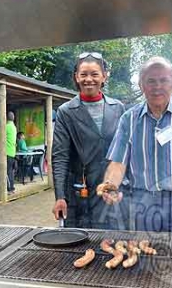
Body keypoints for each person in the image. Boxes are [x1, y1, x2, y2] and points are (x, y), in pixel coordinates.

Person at [101, 56, 172, 233]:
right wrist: (111, 185)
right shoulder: (128, 119)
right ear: (141, 85)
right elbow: (118, 163)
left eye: (164, 80)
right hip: (143, 202)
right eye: (151, 81)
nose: (157, 87)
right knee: (146, 254)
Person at [52, 52, 125, 229]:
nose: (89, 79)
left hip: (110, 189)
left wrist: (124, 185)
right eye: (83, 74)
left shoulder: (118, 108)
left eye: (94, 74)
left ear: (104, 76)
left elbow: (125, 152)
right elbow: (60, 156)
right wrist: (60, 196)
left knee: (112, 242)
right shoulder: (66, 111)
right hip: (79, 191)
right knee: (80, 242)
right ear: (76, 77)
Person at [0, 111, 17, 194]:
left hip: (5, 152)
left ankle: (9, 189)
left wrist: (0, 128)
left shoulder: (6, 126)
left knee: (6, 171)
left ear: (6, 118)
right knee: (10, 171)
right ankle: (12, 188)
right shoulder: (14, 127)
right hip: (12, 152)